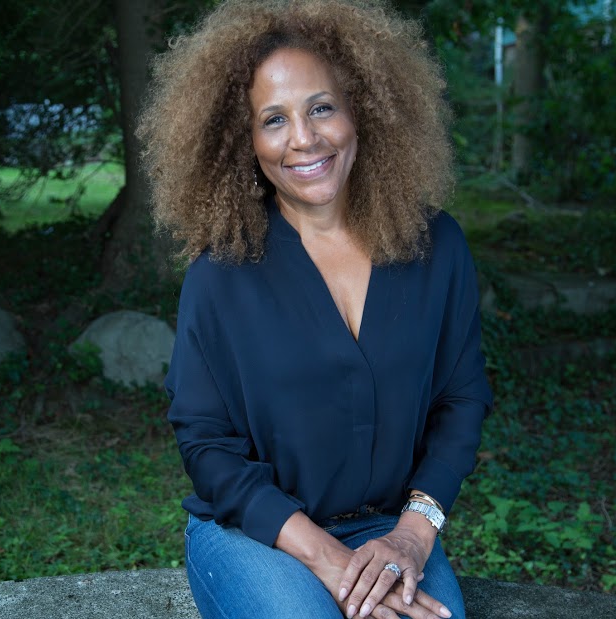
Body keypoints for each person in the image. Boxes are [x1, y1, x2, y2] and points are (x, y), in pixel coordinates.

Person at [139, 1, 493, 617]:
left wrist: (414, 533)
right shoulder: (221, 274)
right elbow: (206, 444)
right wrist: (327, 559)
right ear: (244, 140)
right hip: (258, 532)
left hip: (389, 528)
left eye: (322, 107)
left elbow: (461, 400)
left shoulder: (436, 246)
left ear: (363, 108)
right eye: (273, 119)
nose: (303, 138)